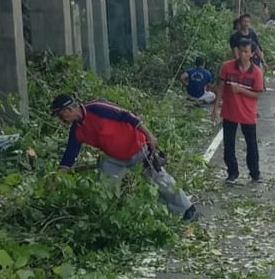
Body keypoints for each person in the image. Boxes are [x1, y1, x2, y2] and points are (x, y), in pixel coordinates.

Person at [52, 94, 198, 221]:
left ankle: (187, 209)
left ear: (69, 109)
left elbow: (128, 116)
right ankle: (108, 215)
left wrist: (149, 135)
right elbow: (69, 157)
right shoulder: (76, 131)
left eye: (60, 115)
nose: (61, 119)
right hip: (114, 159)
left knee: (159, 179)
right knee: (105, 182)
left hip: (138, 147)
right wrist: (56, 180)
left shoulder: (97, 108)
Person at [212, 39, 265, 184]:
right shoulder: (227, 67)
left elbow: (258, 95)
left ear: (252, 54)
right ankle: (232, 172)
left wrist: (241, 90)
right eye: (241, 51)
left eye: (246, 52)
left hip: (248, 113)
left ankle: (255, 173)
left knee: (251, 145)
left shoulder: (256, 73)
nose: (242, 55)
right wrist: (216, 108)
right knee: (229, 145)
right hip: (229, 112)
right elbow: (220, 87)